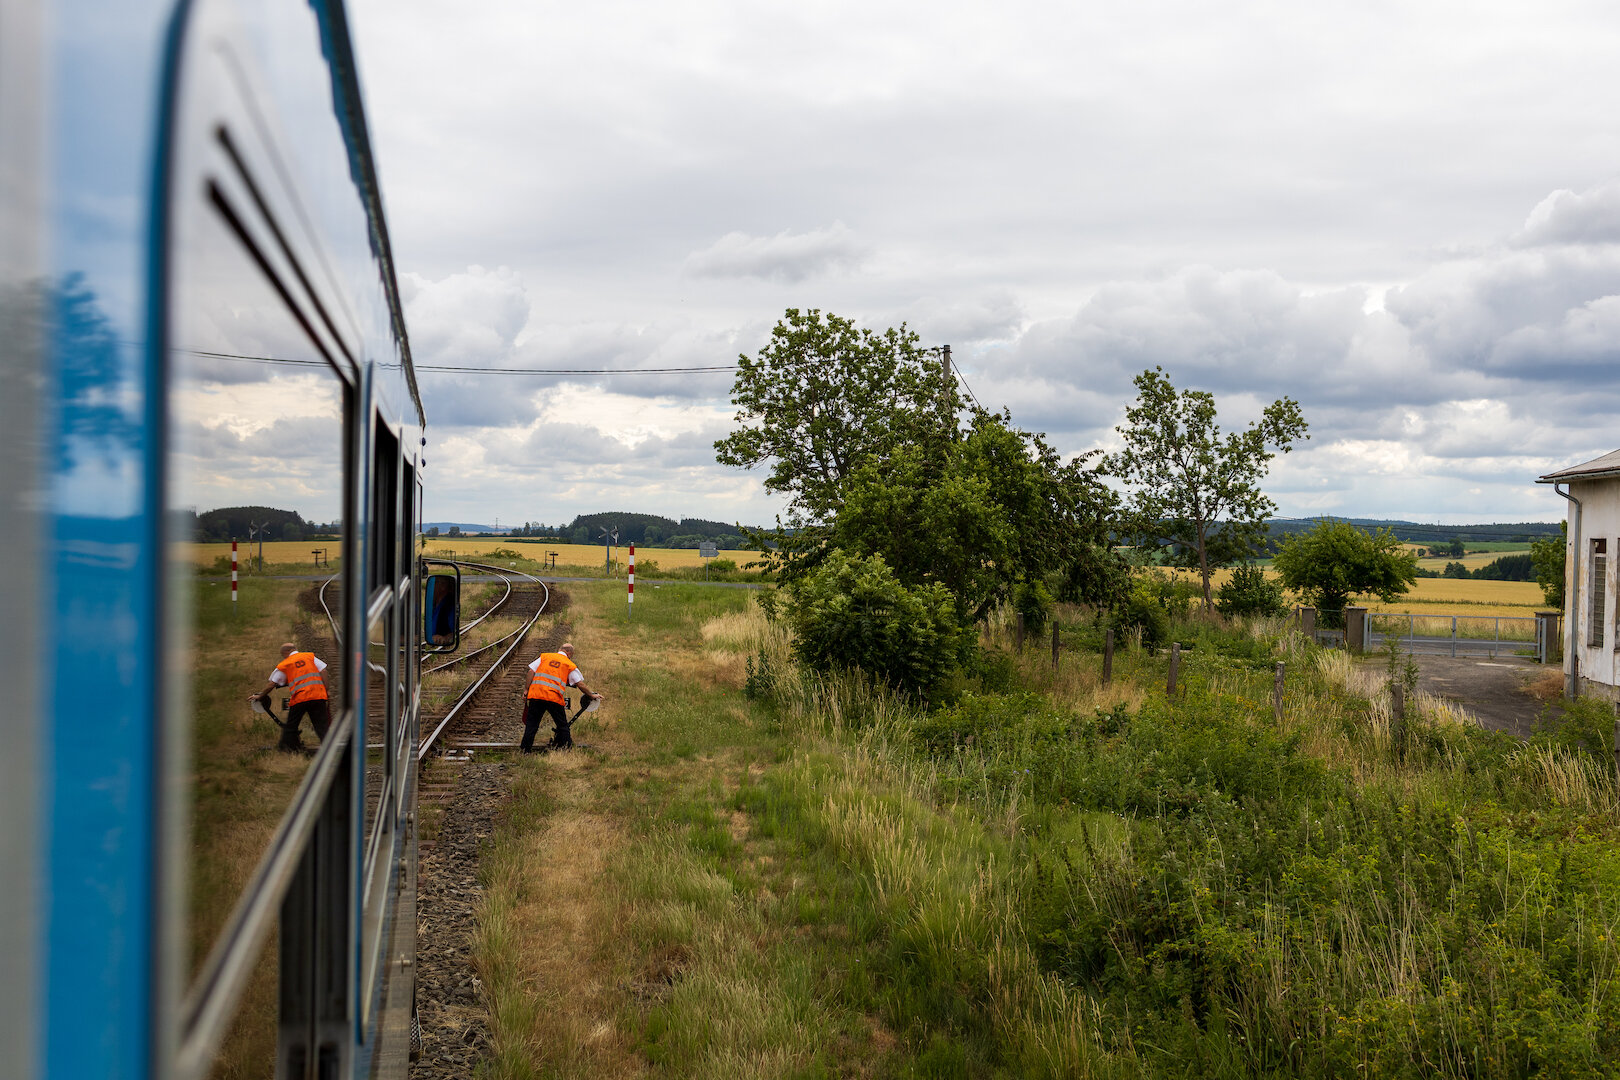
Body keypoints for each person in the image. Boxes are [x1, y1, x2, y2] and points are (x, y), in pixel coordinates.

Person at [249, 643, 331, 752]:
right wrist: (326, 690)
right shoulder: (309, 656)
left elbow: (271, 684)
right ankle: (330, 749)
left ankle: (287, 748)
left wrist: (260, 696)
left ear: (285, 652)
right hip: (318, 696)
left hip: (300, 698)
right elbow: (324, 671)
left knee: (291, 725)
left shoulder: (286, 663)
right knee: (321, 724)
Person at [522, 642, 599, 752]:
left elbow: (531, 671)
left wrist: (526, 689)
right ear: (569, 653)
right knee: (562, 725)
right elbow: (580, 684)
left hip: (536, 695)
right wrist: (591, 695)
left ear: (560, 649)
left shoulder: (545, 656)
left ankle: (525, 750)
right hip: (553, 698)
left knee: (532, 724)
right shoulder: (569, 664)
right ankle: (567, 748)